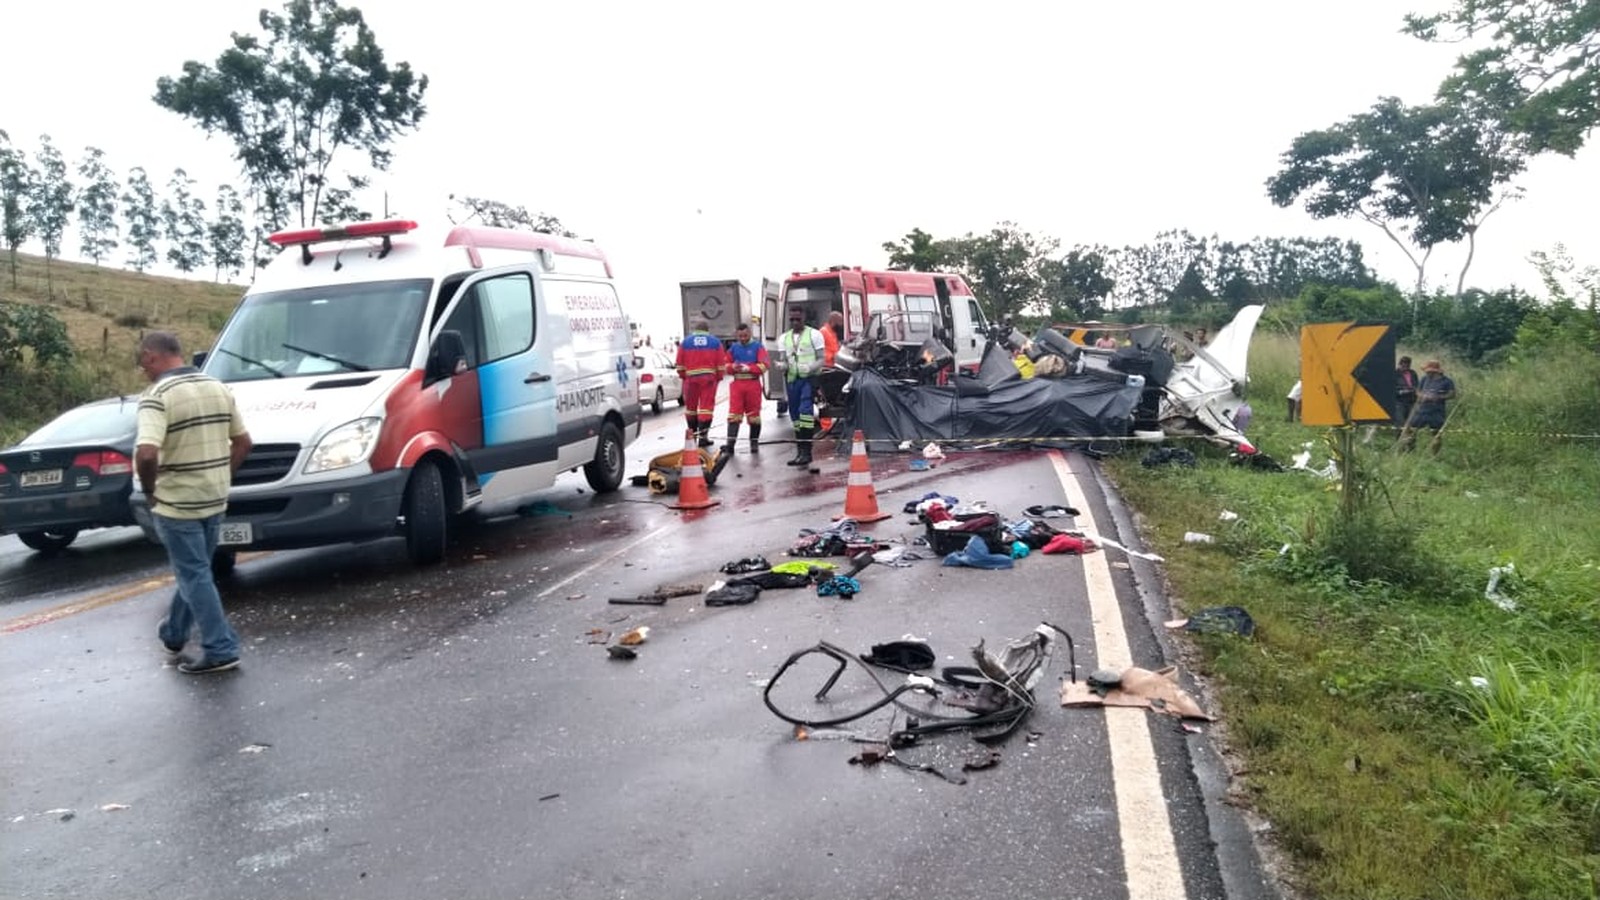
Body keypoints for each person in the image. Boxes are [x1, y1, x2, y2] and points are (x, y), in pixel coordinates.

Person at [135, 331, 252, 675]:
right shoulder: (217, 387)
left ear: (152, 356)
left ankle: (220, 648)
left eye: (142, 362)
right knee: (197, 571)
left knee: (195, 574)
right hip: (214, 497)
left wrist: (149, 489)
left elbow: (146, 453)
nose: (143, 370)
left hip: (177, 502)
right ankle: (174, 633)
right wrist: (222, 475)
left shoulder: (157, 396)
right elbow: (244, 443)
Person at [779, 309, 826, 467]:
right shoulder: (784, 338)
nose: (795, 322)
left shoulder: (814, 335)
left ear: (804, 318)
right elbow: (783, 359)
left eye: (798, 319)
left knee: (805, 411)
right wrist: (782, 365)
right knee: (795, 416)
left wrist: (811, 367)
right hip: (792, 380)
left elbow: (822, 358)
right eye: (792, 319)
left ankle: (807, 452)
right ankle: (800, 452)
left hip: (808, 379)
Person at [674, 318, 725, 448]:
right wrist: (718, 378)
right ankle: (703, 438)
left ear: (695, 330)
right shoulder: (715, 342)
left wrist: (684, 376)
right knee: (706, 409)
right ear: (707, 330)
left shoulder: (685, 342)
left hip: (691, 379)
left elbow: (679, 364)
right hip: (708, 379)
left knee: (691, 409)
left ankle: (693, 438)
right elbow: (720, 364)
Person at [723, 322, 769, 453]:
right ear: (737, 336)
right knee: (734, 415)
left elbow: (765, 365)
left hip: (753, 384)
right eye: (740, 336)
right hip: (737, 384)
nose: (743, 339)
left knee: (754, 415)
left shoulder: (758, 347)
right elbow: (725, 364)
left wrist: (749, 368)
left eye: (745, 336)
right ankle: (730, 445)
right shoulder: (733, 348)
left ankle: (754, 443)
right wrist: (732, 367)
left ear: (749, 333)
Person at [1400, 359, 1456, 454]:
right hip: (1422, 410)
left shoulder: (1447, 381)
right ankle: (1410, 451)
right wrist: (1422, 396)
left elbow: (1452, 394)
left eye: (1428, 371)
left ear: (1434, 371)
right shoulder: (1424, 379)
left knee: (1436, 434)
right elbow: (1418, 391)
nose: (1426, 372)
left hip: (1437, 411)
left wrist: (1438, 397)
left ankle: (1434, 455)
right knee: (1410, 430)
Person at [1394, 355, 1419, 427]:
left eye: (1408, 364)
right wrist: (1401, 391)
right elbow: (1391, 388)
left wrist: (1415, 390)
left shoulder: (1413, 373)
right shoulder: (1394, 374)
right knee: (1400, 421)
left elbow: (1417, 384)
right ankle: (1400, 434)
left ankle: (1410, 434)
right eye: (1404, 364)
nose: (1406, 366)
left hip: (1412, 400)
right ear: (1400, 364)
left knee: (1412, 421)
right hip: (1400, 401)